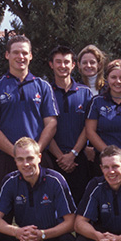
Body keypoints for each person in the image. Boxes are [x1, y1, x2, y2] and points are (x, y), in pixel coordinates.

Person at [0, 35, 58, 202]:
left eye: (24, 53)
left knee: (46, 208)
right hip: (5, 159)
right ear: (7, 55)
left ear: (31, 55)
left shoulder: (43, 86)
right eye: (15, 52)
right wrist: (16, 154)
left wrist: (34, 153)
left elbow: (51, 124)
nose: (20, 57)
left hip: (38, 159)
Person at [47, 45, 94, 203]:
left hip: (78, 159)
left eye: (66, 62)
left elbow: (88, 128)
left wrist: (73, 154)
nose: (62, 66)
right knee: (54, 207)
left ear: (73, 65)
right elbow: (43, 128)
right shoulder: (45, 91)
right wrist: (61, 157)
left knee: (81, 207)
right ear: (51, 64)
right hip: (52, 158)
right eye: (58, 62)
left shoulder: (85, 92)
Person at [86, 59, 121, 174]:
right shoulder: (97, 102)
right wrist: (109, 154)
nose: (118, 81)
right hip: (104, 161)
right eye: (113, 77)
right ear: (107, 79)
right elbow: (90, 131)